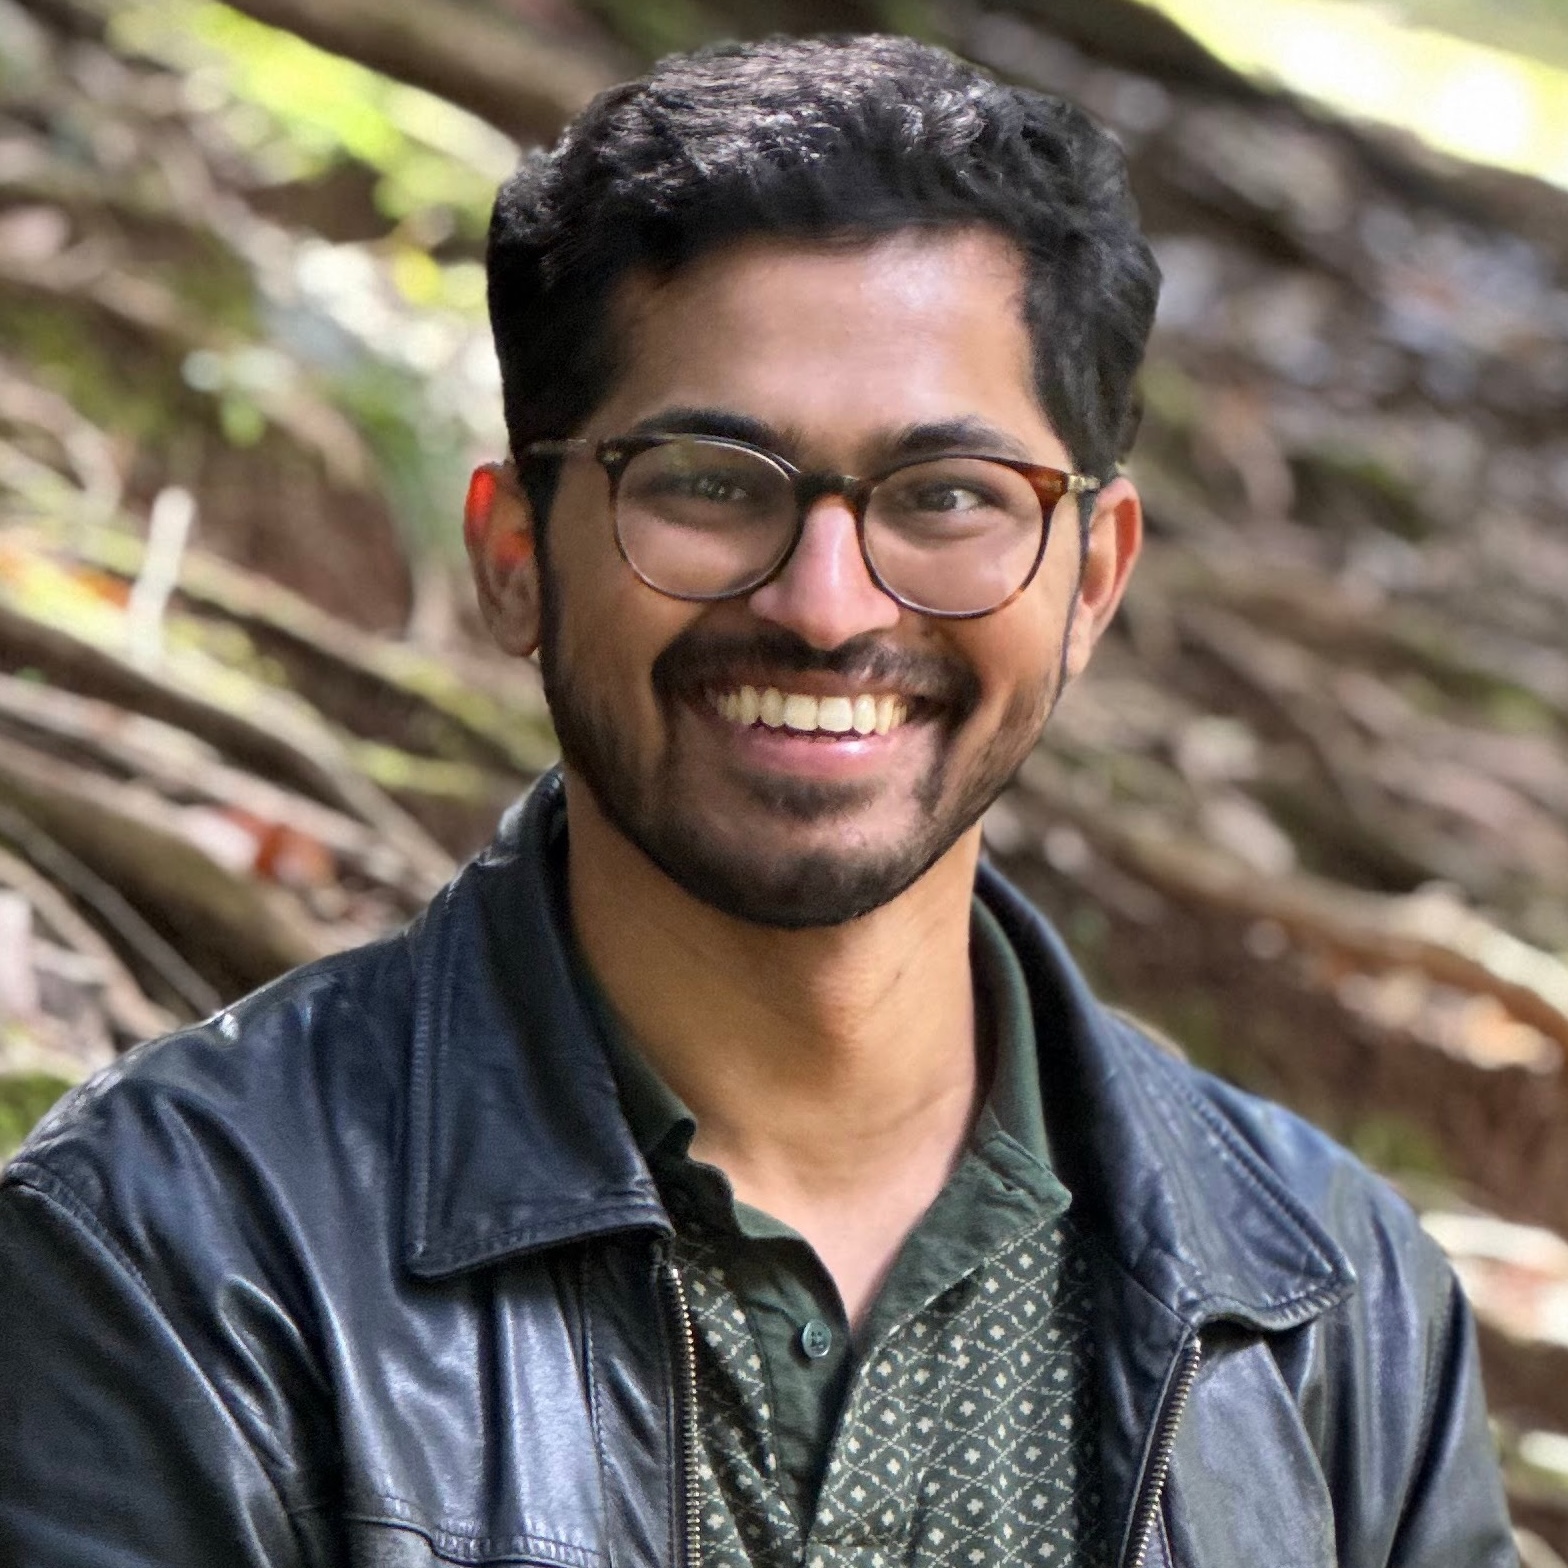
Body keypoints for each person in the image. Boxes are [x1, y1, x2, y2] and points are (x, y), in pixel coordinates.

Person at [0, 34, 1513, 1568]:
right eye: (712, 482)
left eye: (947, 496)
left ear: (1093, 581)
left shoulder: (1339, 1309)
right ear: (516, 555)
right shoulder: (175, 1258)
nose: (826, 604)